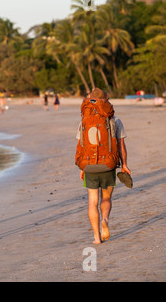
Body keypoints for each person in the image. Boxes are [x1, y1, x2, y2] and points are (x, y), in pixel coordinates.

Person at [76, 88, 131, 244]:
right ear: (105, 101)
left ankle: (96, 238)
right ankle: (105, 220)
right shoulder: (114, 119)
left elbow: (81, 145)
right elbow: (121, 145)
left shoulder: (83, 120)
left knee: (92, 201)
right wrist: (124, 165)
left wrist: (82, 167)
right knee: (106, 198)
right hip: (108, 164)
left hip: (89, 165)